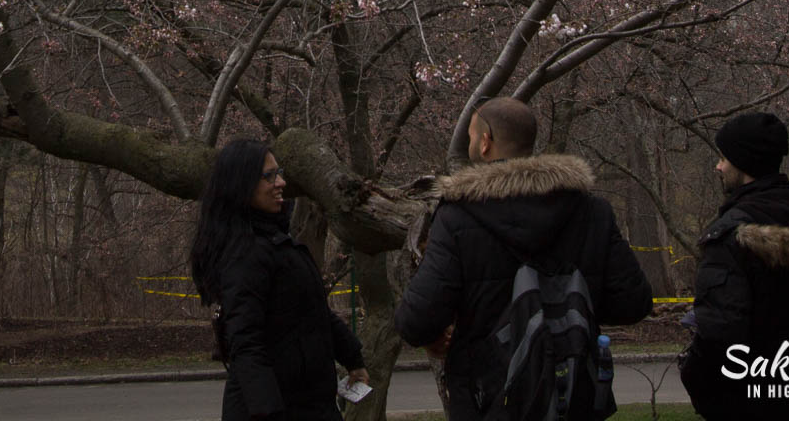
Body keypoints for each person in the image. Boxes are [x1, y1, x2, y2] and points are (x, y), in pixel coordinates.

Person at [394, 97, 653, 421]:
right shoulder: (591, 211)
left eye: (473, 135)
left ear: (486, 142)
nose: (471, 142)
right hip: (573, 396)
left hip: (490, 400)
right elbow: (634, 302)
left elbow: (416, 321)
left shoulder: (457, 217)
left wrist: (436, 335)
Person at [679, 112, 789, 421]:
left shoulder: (730, 235)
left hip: (740, 404)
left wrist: (691, 372)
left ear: (743, 162)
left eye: (723, 158)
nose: (718, 166)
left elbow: (718, 334)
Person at [191, 138, 368, 421]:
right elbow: (246, 341)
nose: (281, 182)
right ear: (242, 185)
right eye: (269, 176)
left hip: (309, 402)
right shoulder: (244, 254)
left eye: (280, 172)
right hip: (277, 409)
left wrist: (353, 359)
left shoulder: (277, 241)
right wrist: (267, 411)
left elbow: (315, 312)